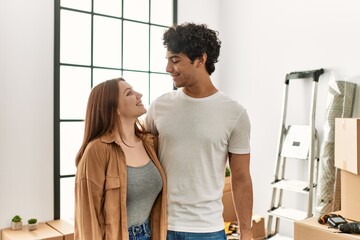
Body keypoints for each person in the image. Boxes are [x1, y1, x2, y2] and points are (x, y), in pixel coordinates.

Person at [145, 23, 253, 240]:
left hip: (207, 230)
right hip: (161, 225)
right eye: (167, 60)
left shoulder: (235, 113)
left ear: (201, 60)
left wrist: (247, 232)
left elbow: (241, 178)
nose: (168, 68)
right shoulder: (159, 107)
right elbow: (142, 160)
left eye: (175, 60)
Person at [74, 77, 167, 240]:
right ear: (113, 108)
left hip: (150, 233)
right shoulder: (97, 150)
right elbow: (87, 216)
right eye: (129, 93)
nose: (139, 95)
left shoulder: (150, 143)